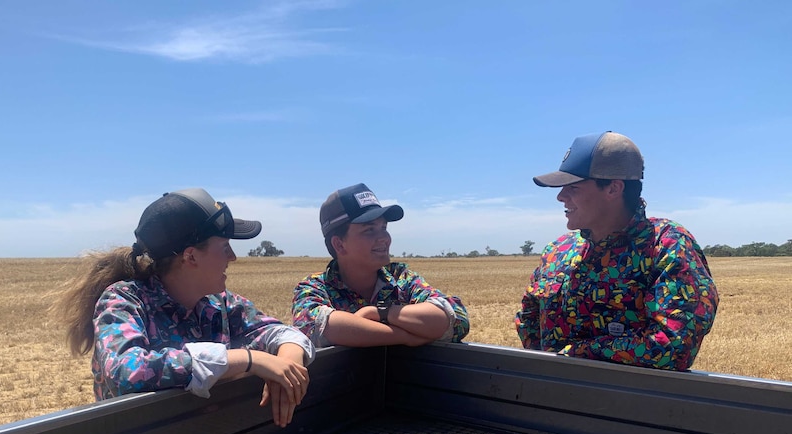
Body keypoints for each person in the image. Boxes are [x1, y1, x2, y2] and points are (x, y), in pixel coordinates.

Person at [55, 188, 314, 427]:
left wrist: (289, 366)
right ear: (190, 256)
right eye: (225, 247)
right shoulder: (124, 301)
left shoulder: (220, 303)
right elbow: (126, 373)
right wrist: (248, 359)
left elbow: (280, 333)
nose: (233, 257)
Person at [515, 131, 718, 371]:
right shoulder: (558, 251)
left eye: (573, 187)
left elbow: (673, 347)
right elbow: (528, 320)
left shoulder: (666, 245)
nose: (560, 196)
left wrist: (579, 353)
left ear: (613, 188)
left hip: (628, 406)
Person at [292, 183, 469, 347]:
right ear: (339, 244)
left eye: (384, 228)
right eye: (369, 230)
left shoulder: (401, 278)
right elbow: (317, 326)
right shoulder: (315, 287)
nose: (384, 238)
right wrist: (405, 337)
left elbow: (455, 317)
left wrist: (381, 313)